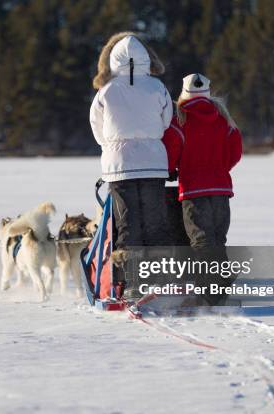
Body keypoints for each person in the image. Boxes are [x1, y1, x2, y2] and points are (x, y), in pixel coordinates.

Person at [89, 32, 173, 265]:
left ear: (113, 60)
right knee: (156, 223)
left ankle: (130, 281)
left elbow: (96, 126)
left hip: (119, 166)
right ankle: (160, 277)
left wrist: (110, 147)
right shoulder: (157, 87)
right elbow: (166, 121)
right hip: (153, 165)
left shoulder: (105, 90)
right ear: (146, 58)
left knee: (127, 224)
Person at [162, 73, 243, 305]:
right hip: (221, 189)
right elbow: (235, 151)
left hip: (193, 191)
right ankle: (220, 286)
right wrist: (218, 168)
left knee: (201, 241)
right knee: (218, 238)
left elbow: (170, 151)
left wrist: (172, 170)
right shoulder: (223, 117)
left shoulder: (180, 119)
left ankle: (210, 293)